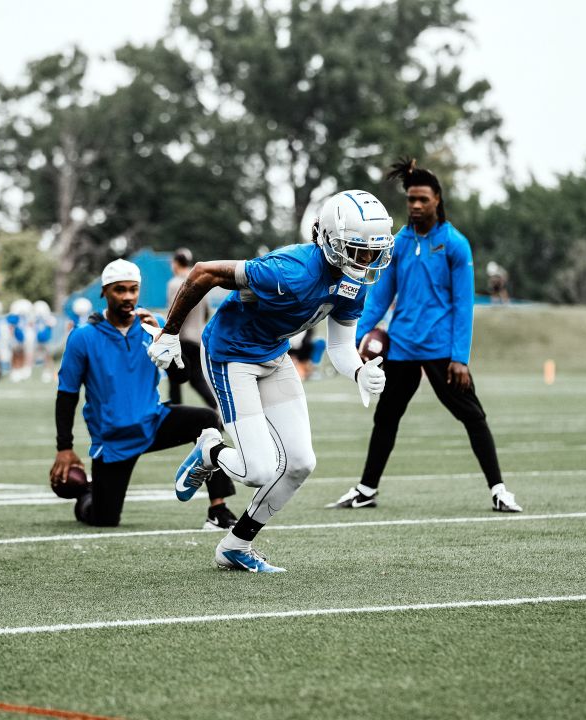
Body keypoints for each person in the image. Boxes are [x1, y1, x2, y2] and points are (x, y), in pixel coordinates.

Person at [146, 189, 394, 573]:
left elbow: (341, 345)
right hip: (230, 354)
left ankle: (235, 546)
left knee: (299, 464)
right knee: (258, 470)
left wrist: (360, 370)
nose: (365, 260)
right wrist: (171, 333)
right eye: (356, 249)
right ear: (329, 239)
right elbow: (203, 273)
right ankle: (210, 450)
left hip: (274, 356)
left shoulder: (354, 283)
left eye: (372, 251)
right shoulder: (288, 270)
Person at [328, 158, 522, 514]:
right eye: (410, 200)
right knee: (385, 418)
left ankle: (499, 491)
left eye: (423, 200)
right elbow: (383, 293)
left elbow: (464, 305)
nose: (416, 206)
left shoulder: (455, 244)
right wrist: (359, 330)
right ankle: (366, 489)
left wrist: (460, 357)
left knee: (472, 416)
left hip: (440, 348)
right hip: (401, 345)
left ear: (437, 200)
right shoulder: (399, 241)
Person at [51, 259, 238, 530]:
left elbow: (181, 377)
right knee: (103, 519)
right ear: (105, 292)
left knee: (207, 420)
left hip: (153, 422)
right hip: (113, 439)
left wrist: (162, 338)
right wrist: (64, 448)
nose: (128, 297)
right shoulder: (83, 337)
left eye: (133, 289)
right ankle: (86, 494)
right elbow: (67, 395)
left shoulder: (155, 325)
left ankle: (218, 509)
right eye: (119, 290)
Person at [164, 248, 217, 406]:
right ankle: (217, 408)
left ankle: (176, 413)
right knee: (196, 379)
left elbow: (175, 311)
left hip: (180, 338)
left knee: (174, 379)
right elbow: (207, 312)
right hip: (197, 339)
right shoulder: (201, 282)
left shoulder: (174, 284)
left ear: (176, 263)